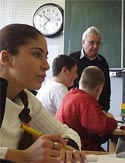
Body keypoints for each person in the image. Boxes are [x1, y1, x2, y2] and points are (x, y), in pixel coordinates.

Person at [0, 23, 86, 163]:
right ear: (6, 58)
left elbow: (68, 133)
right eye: (36, 54)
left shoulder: (26, 100)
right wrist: (24, 157)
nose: (46, 65)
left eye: (45, 56)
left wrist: (66, 147)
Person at [56, 66, 117, 151]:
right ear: (99, 88)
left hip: (66, 146)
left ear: (81, 82)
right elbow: (104, 126)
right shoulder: (87, 101)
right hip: (81, 149)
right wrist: (111, 119)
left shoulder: (70, 95)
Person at [69, 26, 111, 112]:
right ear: (83, 42)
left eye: (98, 43)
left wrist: (105, 107)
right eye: (91, 43)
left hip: (97, 108)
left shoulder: (102, 61)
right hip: (76, 107)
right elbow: (67, 83)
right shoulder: (72, 59)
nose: (95, 46)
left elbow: (106, 86)